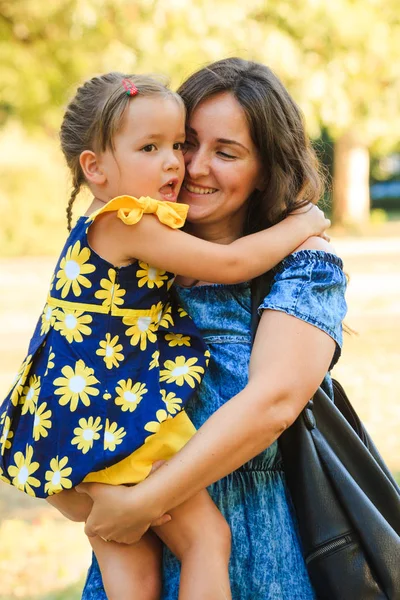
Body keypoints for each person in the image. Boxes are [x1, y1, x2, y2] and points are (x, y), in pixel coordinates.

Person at [0, 72, 330, 600]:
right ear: (95, 167)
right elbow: (230, 262)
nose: (181, 163)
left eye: (178, 144)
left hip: (69, 421)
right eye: (157, 147)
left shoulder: (110, 226)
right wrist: (302, 223)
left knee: (131, 574)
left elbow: (274, 400)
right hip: (112, 416)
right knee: (205, 541)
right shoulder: (132, 222)